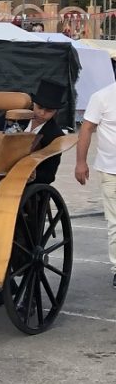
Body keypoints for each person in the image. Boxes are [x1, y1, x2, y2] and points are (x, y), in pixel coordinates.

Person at [75, 79, 116, 287]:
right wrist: (80, 162)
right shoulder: (102, 97)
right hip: (111, 171)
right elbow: (86, 128)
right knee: (115, 222)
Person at [23, 79, 67, 185]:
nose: (42, 113)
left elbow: (49, 175)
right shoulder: (16, 118)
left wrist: (34, 175)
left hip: (29, 185)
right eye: (39, 107)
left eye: (49, 111)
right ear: (33, 103)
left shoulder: (56, 136)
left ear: (55, 111)